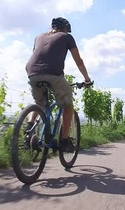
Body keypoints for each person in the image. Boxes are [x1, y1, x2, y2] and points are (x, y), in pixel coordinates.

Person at [25, 17, 92, 152]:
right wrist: (87, 79)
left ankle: (28, 129)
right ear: (65, 29)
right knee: (68, 106)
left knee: (40, 104)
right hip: (53, 74)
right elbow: (78, 61)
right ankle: (64, 141)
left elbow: (39, 56)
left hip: (32, 73)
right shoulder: (67, 37)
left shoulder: (39, 37)